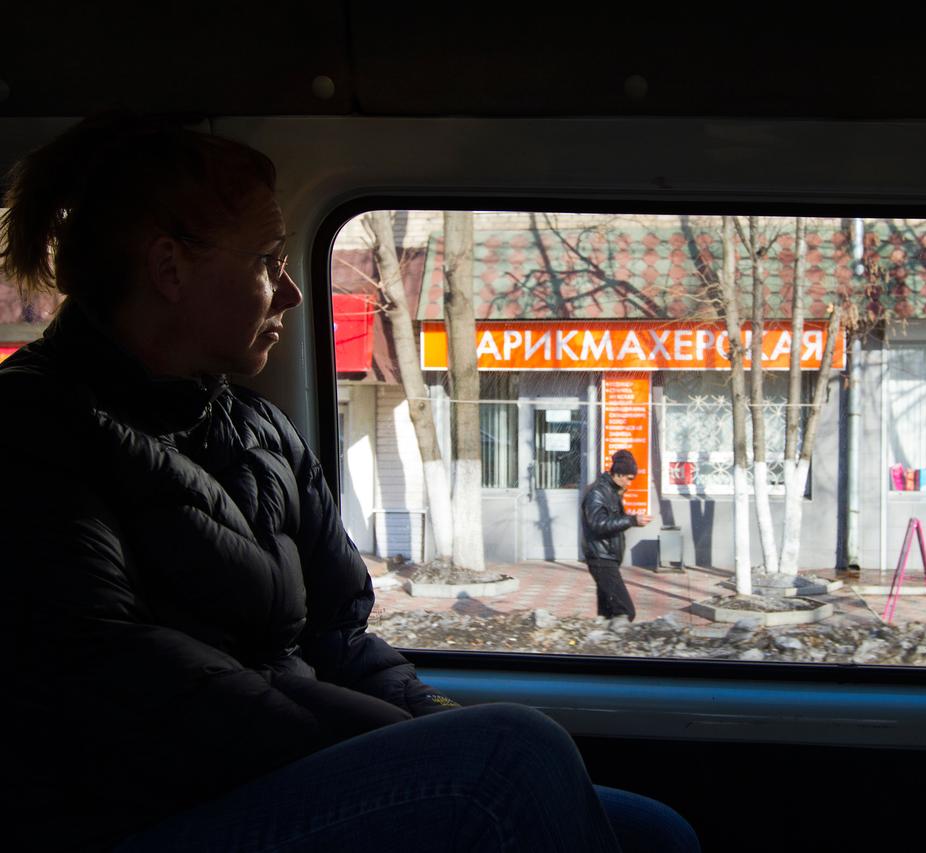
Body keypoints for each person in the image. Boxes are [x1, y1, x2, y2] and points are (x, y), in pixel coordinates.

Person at [0, 114, 697, 853]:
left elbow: (336, 633)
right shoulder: (32, 431)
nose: (293, 294)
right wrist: (392, 745)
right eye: (269, 261)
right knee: (509, 756)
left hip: (262, 765)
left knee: (653, 832)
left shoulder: (255, 427)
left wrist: (429, 715)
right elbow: (132, 693)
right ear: (169, 268)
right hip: (128, 811)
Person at [581, 449, 652, 621]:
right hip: (601, 558)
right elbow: (598, 524)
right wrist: (631, 521)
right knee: (625, 611)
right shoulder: (598, 493)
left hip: (607, 557)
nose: (630, 483)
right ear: (618, 474)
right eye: (628, 478)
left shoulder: (612, 492)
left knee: (608, 614)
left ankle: (603, 643)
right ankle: (616, 642)